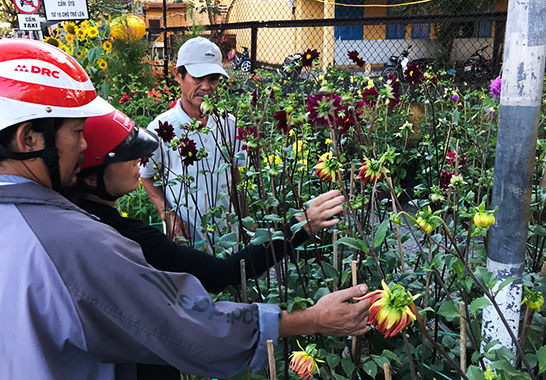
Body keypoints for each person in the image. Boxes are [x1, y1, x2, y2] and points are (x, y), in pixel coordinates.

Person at [0, 39, 371, 379]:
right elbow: (190, 325)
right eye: (76, 133)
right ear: (29, 138)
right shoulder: (79, 241)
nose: (85, 146)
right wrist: (312, 319)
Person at [66, 109, 349, 378]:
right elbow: (220, 274)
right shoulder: (128, 237)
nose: (138, 161)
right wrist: (299, 228)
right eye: (128, 156)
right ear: (91, 177)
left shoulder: (72, 219)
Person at [140, 36, 242, 247]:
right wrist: (167, 214)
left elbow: (235, 175)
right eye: (197, 78)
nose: (206, 87)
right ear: (178, 75)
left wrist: (244, 219)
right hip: (185, 233)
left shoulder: (227, 123)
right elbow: (146, 176)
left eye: (213, 78)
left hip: (227, 229)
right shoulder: (162, 128)